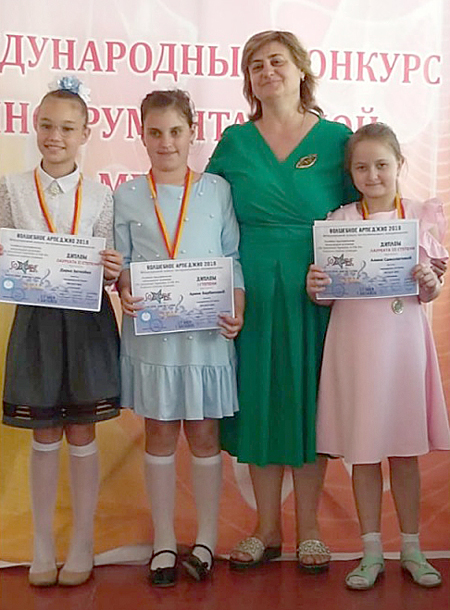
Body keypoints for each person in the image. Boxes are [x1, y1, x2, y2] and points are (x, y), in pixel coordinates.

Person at [206, 30, 358, 571]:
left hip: (316, 291)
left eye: (277, 61)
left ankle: (310, 530)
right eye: (256, 66)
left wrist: (415, 257)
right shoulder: (234, 142)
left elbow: (366, 214)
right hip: (250, 292)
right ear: (248, 81)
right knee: (261, 402)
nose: (267, 71)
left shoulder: (338, 140)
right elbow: (204, 217)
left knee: (310, 403)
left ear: (301, 70)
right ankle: (266, 529)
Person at [307, 122, 450, 590]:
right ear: (350, 173)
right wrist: (315, 286)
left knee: (405, 451)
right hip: (354, 347)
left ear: (399, 165)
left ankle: (412, 547)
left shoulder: (420, 217)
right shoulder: (339, 222)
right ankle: (371, 551)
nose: (373, 175)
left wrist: (430, 282)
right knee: (364, 452)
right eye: (362, 167)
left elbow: (429, 291)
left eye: (382, 165)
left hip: (403, 347)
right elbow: (325, 296)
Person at [114, 89, 245, 587]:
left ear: (193, 133)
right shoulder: (126, 194)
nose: (165, 142)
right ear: (141, 135)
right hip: (154, 338)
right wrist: (126, 287)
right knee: (161, 433)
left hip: (207, 334)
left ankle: (207, 540)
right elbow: (123, 265)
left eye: (175, 131)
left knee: (205, 435)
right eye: (155, 132)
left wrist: (237, 306)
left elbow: (232, 258)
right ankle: (164, 542)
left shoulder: (217, 190)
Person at [0, 78, 122, 587]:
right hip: (37, 320)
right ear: (34, 126)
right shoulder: (11, 188)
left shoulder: (101, 195)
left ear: (85, 133)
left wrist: (112, 268)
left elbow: (109, 266)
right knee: (45, 431)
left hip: (87, 320)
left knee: (82, 430)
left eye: (68, 128)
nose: (56, 136)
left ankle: (82, 543)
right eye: (47, 125)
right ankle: (43, 545)